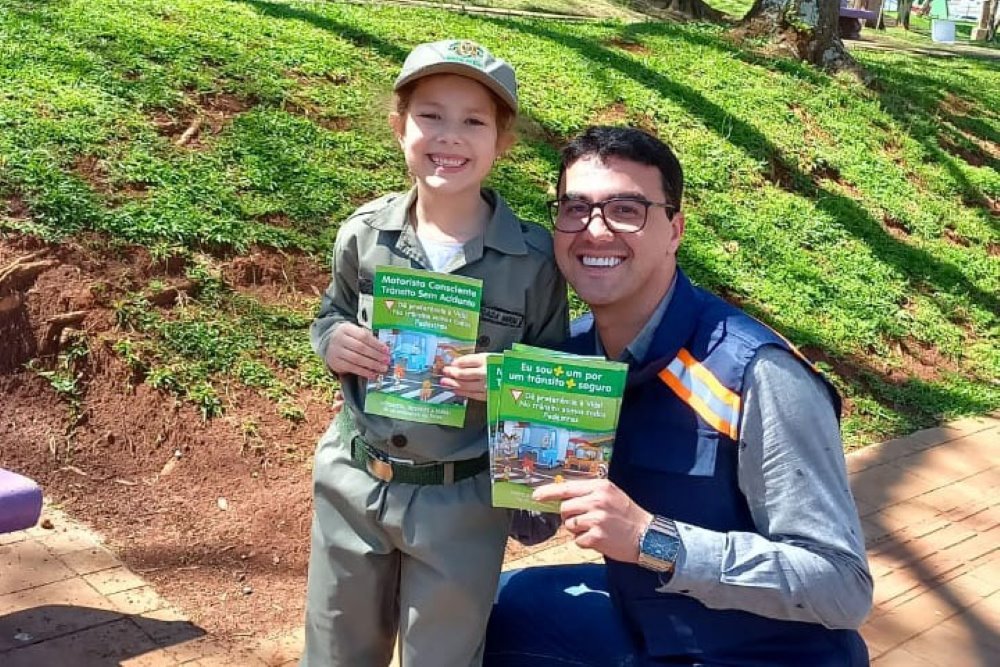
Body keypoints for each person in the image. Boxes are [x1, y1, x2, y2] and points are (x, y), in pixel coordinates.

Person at [485, 126, 873, 666]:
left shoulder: (756, 373)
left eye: (625, 210)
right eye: (575, 208)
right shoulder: (569, 358)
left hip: (771, 654)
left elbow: (842, 586)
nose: (594, 230)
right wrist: (475, 429)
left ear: (674, 230)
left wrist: (652, 540)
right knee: (493, 613)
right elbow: (533, 524)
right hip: (645, 626)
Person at [303, 40, 569, 666]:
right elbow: (331, 313)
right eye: (430, 115)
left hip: (464, 502)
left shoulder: (535, 262)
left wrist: (506, 380)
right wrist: (333, 342)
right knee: (335, 653)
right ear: (400, 127)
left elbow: (555, 382)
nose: (450, 136)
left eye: (474, 121)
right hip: (353, 483)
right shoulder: (364, 235)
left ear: (502, 143)